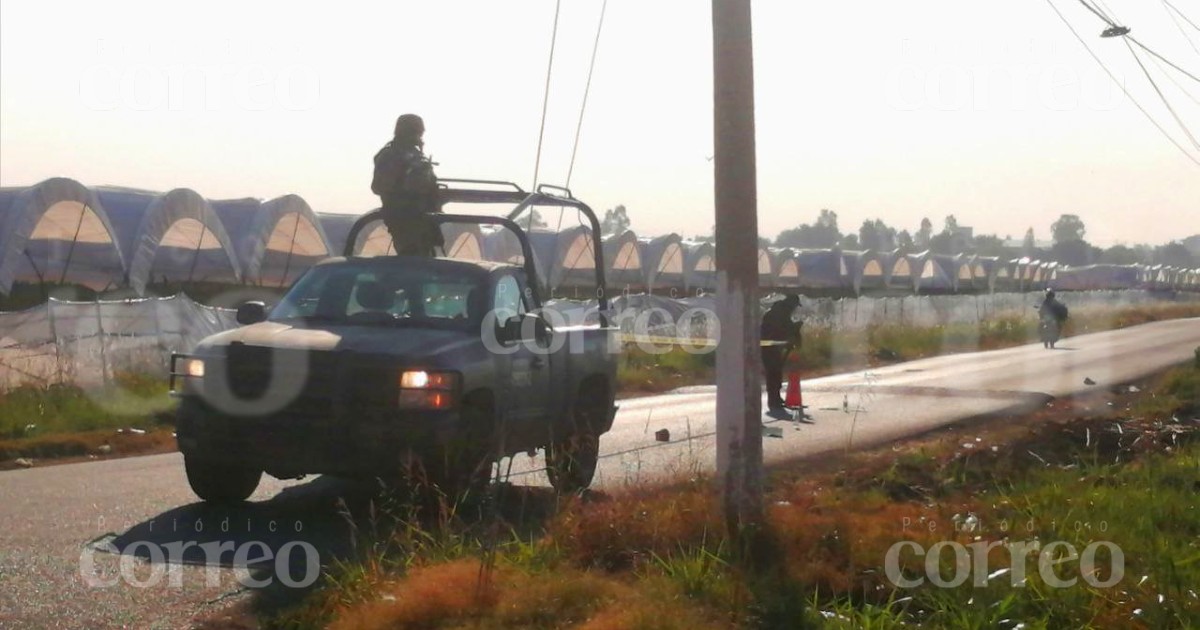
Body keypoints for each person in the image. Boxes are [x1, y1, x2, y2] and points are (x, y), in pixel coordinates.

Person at [371, 113, 443, 256]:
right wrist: (407, 188)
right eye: (417, 131)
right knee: (411, 258)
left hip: (424, 219)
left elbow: (430, 184)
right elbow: (378, 186)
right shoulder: (390, 155)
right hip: (404, 219)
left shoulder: (416, 155)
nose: (420, 136)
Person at [761, 294, 802, 410]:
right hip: (769, 347)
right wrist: (794, 328)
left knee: (776, 373)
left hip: (774, 347)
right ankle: (773, 399)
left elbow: (786, 328)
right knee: (773, 373)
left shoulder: (781, 312)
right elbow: (782, 329)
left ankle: (776, 397)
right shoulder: (779, 313)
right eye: (794, 306)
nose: (794, 309)